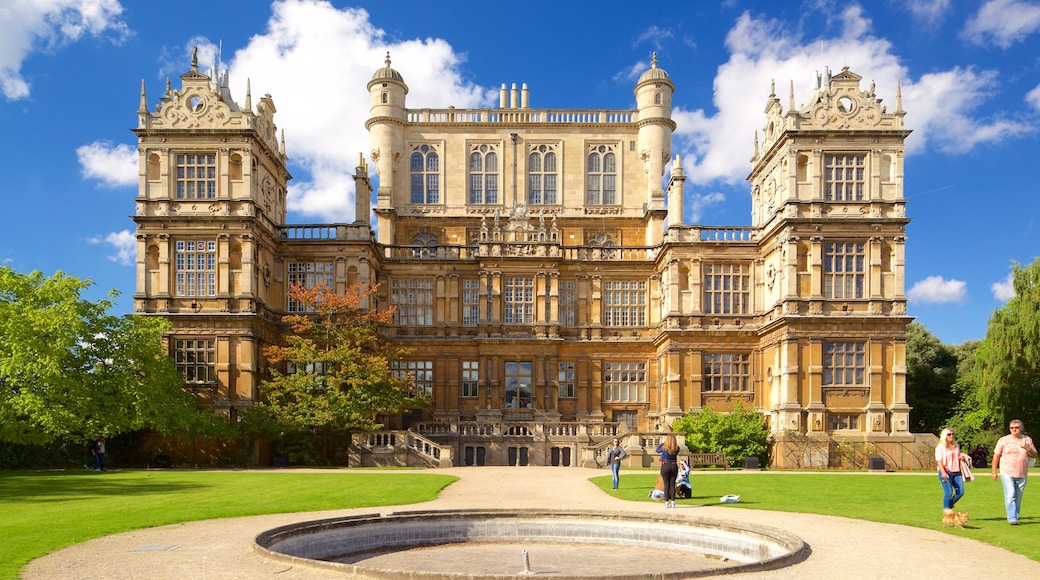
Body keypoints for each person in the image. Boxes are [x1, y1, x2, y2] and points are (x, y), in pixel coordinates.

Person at [991, 419, 1038, 525]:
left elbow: (1034, 454)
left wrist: (1028, 449)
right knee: (1010, 494)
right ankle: (1011, 517)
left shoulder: (1027, 439)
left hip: (1021, 472)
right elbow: (996, 456)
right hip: (1006, 471)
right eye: (1012, 428)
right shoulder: (1003, 440)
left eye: (1016, 427)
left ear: (1021, 428)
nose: (1014, 430)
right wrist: (994, 471)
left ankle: (1015, 515)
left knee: (1018, 496)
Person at [935, 428, 964, 515]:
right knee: (949, 492)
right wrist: (943, 472)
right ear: (944, 436)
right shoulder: (940, 447)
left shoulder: (956, 446)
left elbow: (958, 456)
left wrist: (961, 458)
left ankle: (948, 505)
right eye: (949, 434)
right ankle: (947, 512)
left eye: (952, 434)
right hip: (946, 471)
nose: (951, 436)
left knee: (960, 492)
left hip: (957, 472)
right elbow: (939, 460)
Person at [655, 433, 680, 508]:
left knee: (666, 485)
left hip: (665, 465)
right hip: (673, 465)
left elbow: (657, 450)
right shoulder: (676, 448)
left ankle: (666, 502)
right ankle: (673, 502)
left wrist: (662, 443)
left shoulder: (664, 447)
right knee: (672, 484)